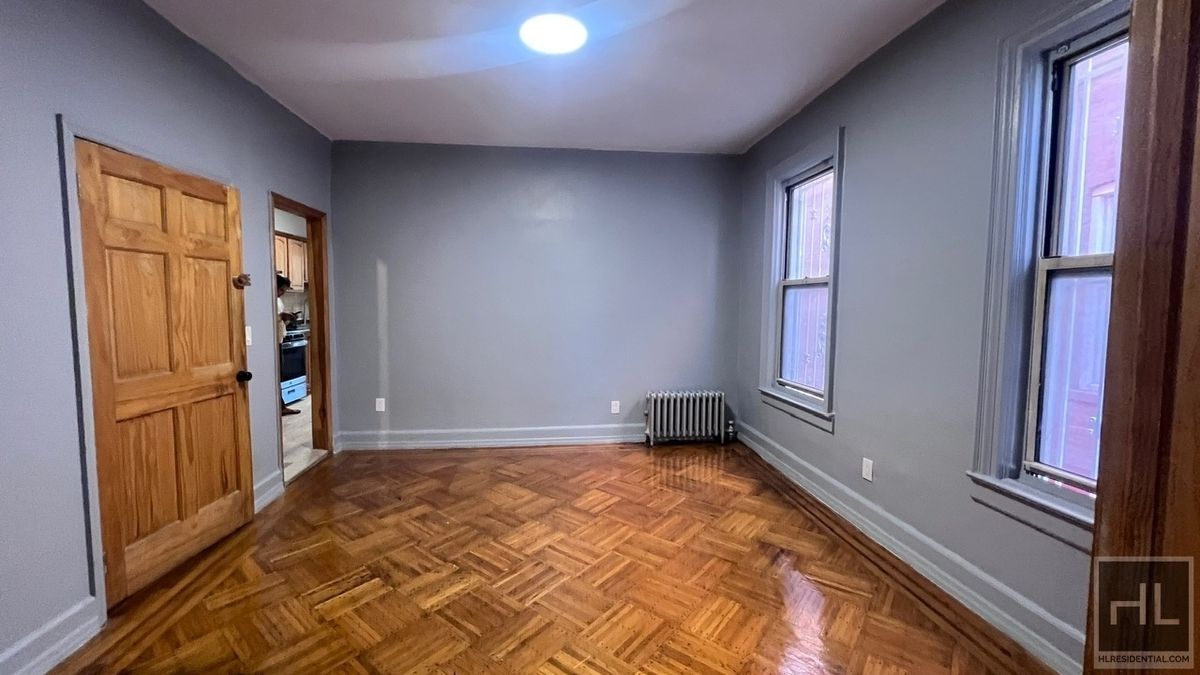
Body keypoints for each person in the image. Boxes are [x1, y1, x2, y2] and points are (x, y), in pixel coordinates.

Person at [277, 274, 300, 416]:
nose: (282, 293)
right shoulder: (265, 299)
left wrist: (287, 318)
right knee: (275, 375)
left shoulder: (279, 301)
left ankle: (281, 405)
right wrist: (281, 316)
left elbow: (280, 321)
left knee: (279, 375)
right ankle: (280, 406)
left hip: (279, 339)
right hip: (271, 342)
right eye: (281, 289)